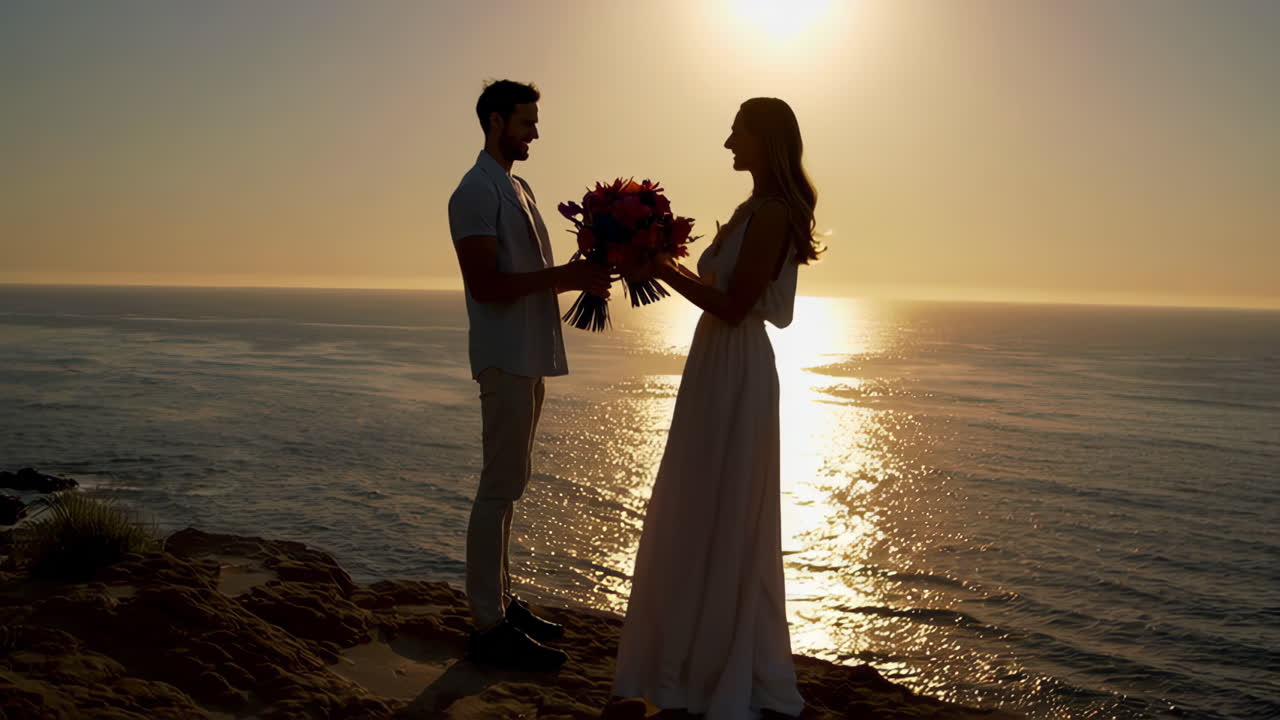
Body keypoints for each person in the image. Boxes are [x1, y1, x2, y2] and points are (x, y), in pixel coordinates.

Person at [611, 97, 822, 719]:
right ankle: (682, 660)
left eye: (738, 132)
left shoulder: (775, 212)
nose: (729, 143)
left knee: (721, 504)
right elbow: (719, 291)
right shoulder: (751, 208)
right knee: (697, 499)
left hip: (736, 366)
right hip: (714, 363)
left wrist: (662, 269)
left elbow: (734, 306)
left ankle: (713, 668)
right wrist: (658, 260)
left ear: (765, 140)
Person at [447, 79, 612, 672]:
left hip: (528, 355)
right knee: (497, 487)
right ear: (495, 122)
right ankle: (487, 623)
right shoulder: (473, 192)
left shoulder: (519, 187)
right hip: (504, 357)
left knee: (512, 483)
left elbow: (531, 276)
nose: (535, 133)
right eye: (526, 122)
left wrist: (584, 269)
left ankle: (502, 599)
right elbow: (486, 286)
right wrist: (567, 278)